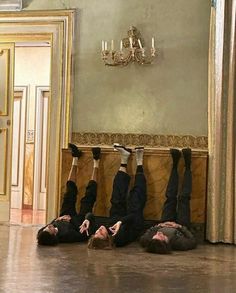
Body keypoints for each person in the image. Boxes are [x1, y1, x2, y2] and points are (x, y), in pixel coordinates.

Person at [80, 144, 147, 249]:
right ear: (107, 239)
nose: (99, 230)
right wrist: (121, 222)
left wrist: (87, 219)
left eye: (96, 232)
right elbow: (132, 217)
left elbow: (90, 215)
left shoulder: (100, 230)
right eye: (101, 233)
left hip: (117, 214)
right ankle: (139, 162)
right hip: (132, 221)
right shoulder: (119, 239)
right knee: (137, 196)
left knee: (116, 196)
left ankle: (124, 159)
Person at [37, 144, 101, 245]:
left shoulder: (42, 234)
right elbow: (82, 235)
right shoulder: (66, 235)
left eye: (45, 228)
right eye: (48, 229)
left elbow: (47, 227)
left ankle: (75, 158)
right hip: (79, 221)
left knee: (69, 192)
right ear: (53, 235)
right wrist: (71, 220)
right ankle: (96, 161)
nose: (48, 226)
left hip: (64, 216)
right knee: (88, 197)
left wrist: (59, 219)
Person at [140, 148, 197, 254]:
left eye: (156, 236)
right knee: (183, 198)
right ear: (166, 242)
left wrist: (159, 226)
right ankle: (188, 165)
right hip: (180, 225)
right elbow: (192, 241)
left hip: (165, 221)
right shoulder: (179, 244)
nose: (159, 234)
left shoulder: (148, 241)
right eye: (161, 237)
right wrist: (179, 227)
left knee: (170, 196)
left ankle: (175, 164)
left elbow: (145, 236)